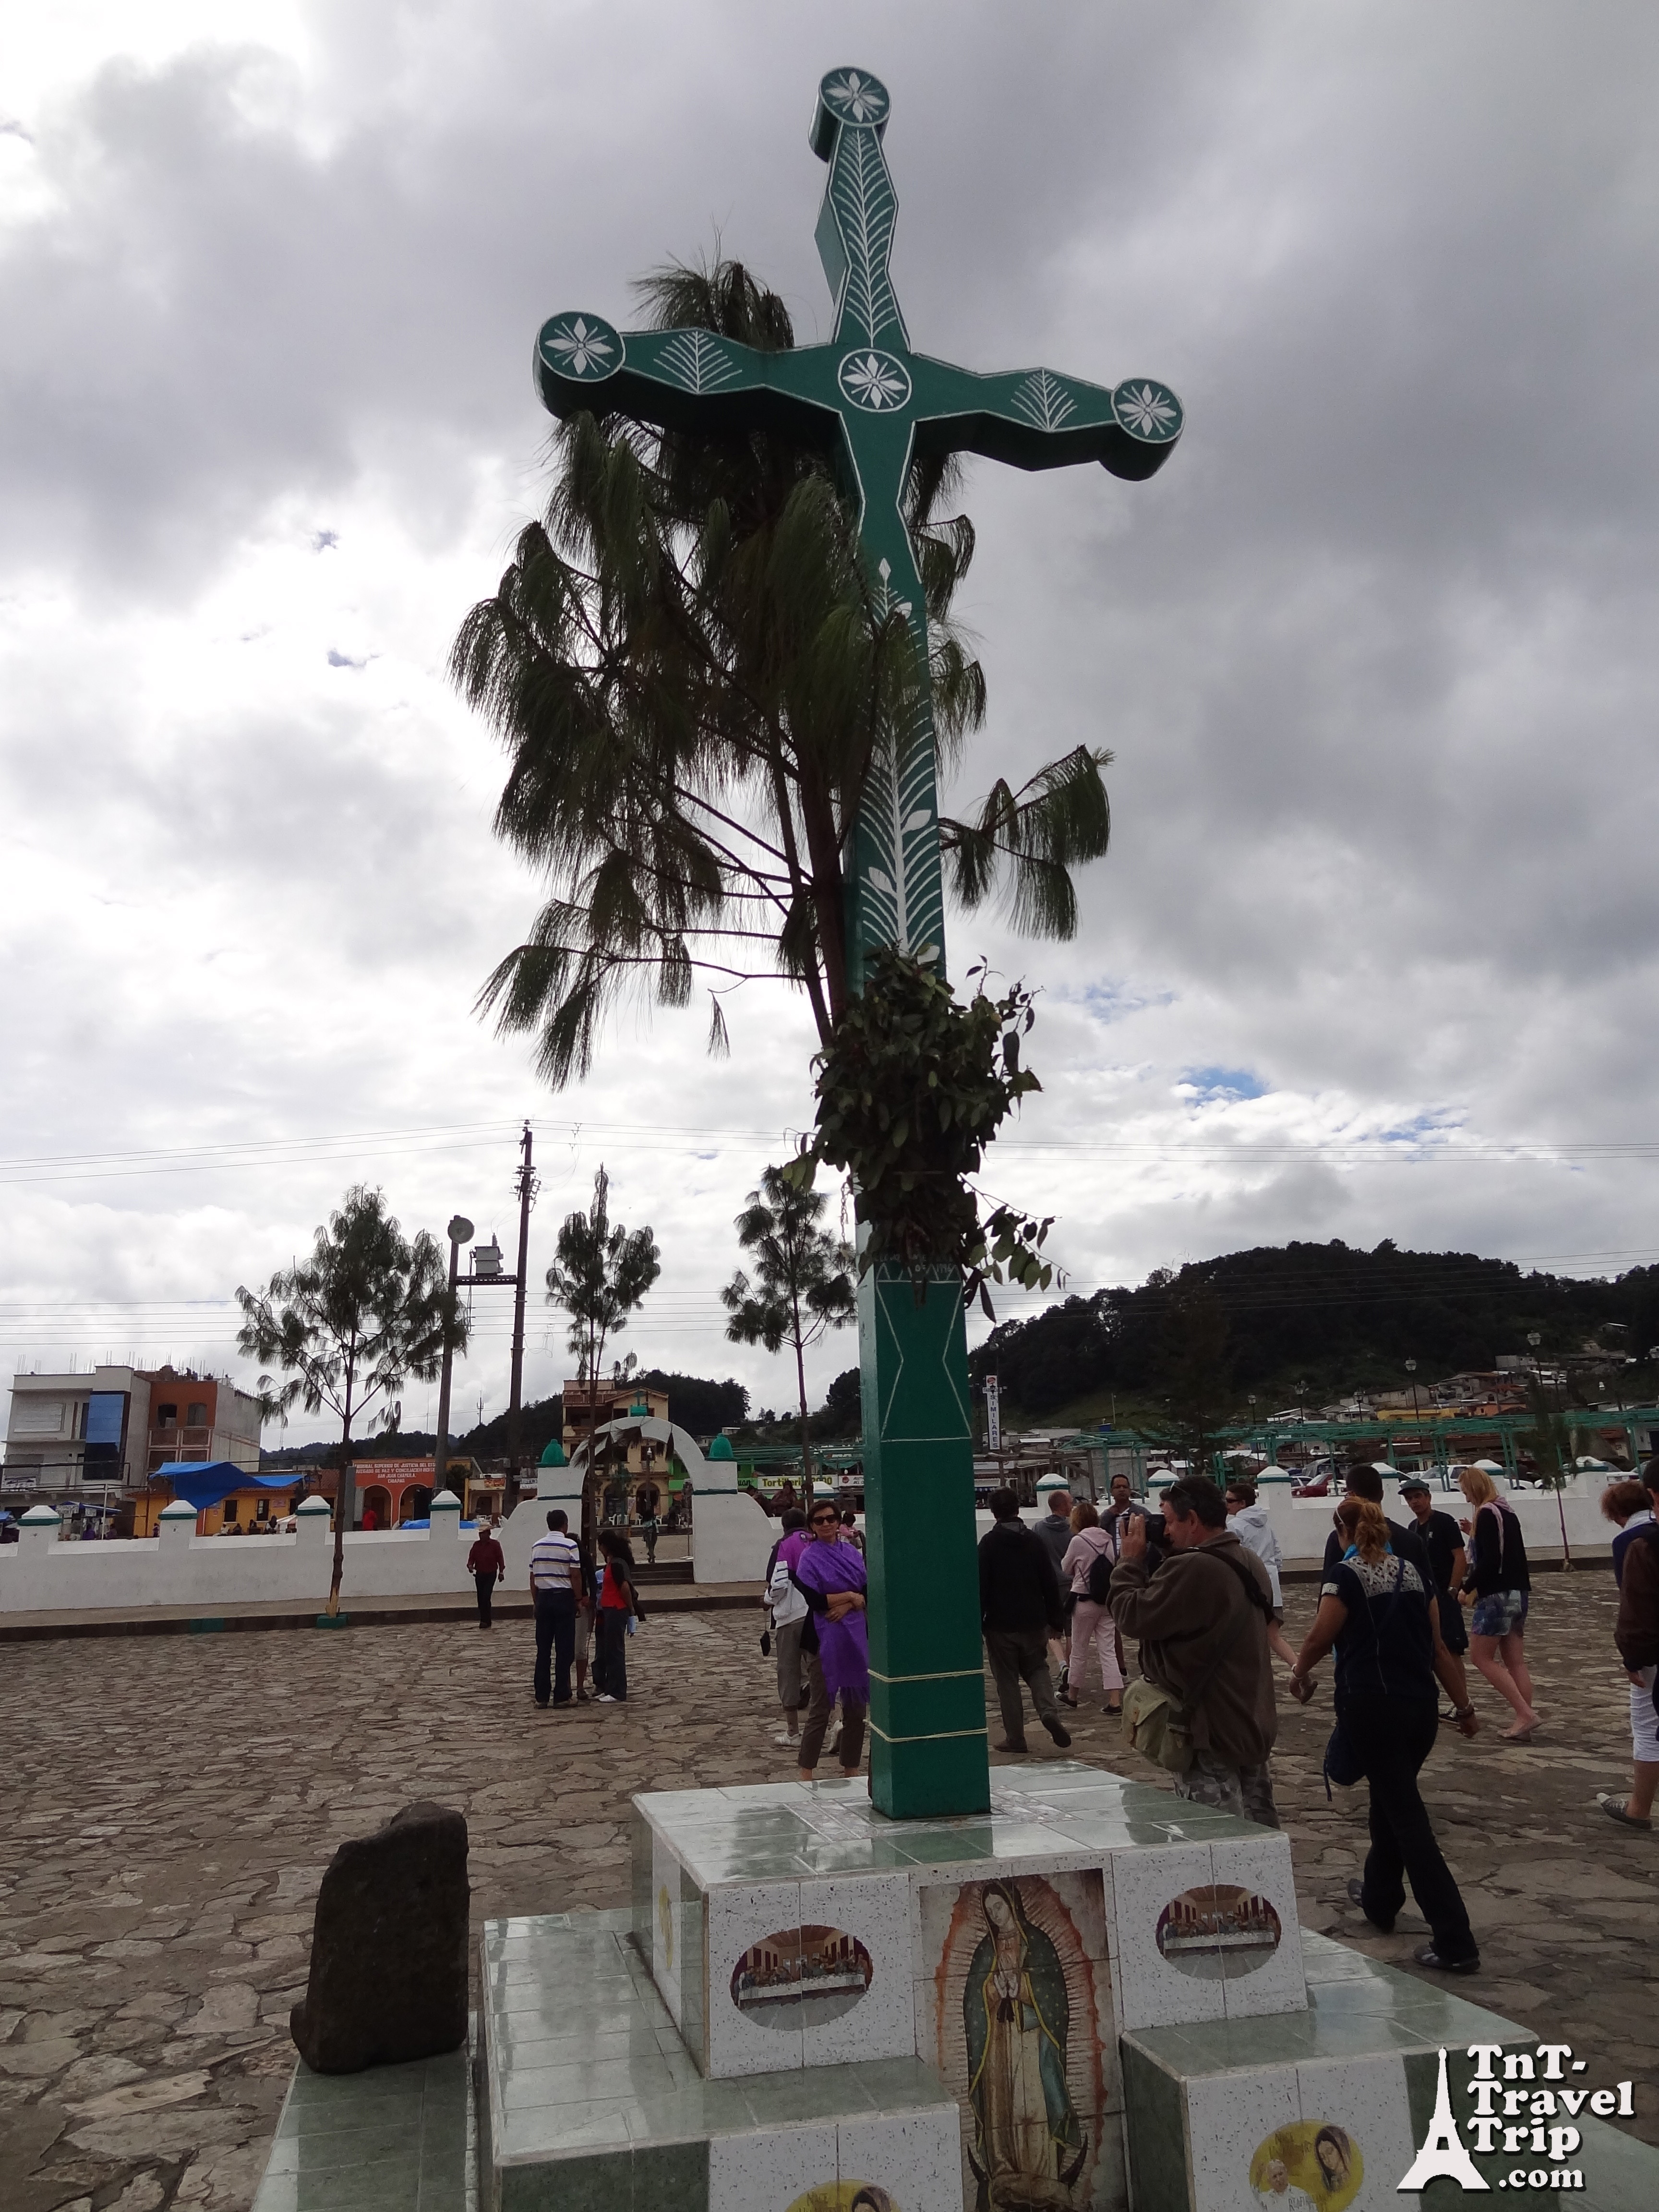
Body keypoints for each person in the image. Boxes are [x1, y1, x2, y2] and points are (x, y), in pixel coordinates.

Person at [1288, 1496, 1480, 1973]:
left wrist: (1299, 1672)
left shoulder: (1345, 1577)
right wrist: (1464, 1707)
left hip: (1373, 1707)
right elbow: (1438, 1649)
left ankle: (1455, 1939)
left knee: (1409, 1821)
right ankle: (1380, 1898)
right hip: (1420, 1710)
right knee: (1390, 1803)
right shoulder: (1413, 1575)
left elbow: (1319, 1637)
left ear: (1343, 1533)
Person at [1108, 1475, 1279, 1825]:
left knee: (1215, 1838)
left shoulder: (1194, 1568)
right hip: (1248, 1721)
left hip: (1208, 1730)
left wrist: (1128, 1563)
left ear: (1193, 1520)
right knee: (1257, 1834)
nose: (1166, 1530)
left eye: (1171, 1521)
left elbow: (1131, 1616)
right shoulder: (1248, 1560)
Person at [978, 1489, 1072, 1755]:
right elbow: (1049, 1582)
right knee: (1038, 1669)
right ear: (1018, 1508)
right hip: (1034, 1620)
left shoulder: (988, 1544)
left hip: (1000, 1625)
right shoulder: (1034, 1541)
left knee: (1007, 1681)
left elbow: (981, 1587)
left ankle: (1016, 1738)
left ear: (993, 1512)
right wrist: (1056, 1619)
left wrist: (978, 1623)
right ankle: (1048, 1711)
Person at [1456, 1465, 1537, 1739]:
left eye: (1466, 1491)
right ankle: (1524, 1721)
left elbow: (1491, 1560)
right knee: (1516, 1661)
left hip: (1497, 1596)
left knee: (1481, 1657)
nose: (1466, 1497)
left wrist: (1467, 1587)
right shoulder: (1507, 1512)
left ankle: (1525, 1713)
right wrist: (1474, 1534)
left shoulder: (1487, 1512)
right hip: (1518, 1592)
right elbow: (1505, 1549)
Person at [1596, 1477, 1659, 1827]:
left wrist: (1632, 1656)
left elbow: (1634, 1601)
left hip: (1652, 1647)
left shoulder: (1631, 1542)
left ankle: (1639, 1807)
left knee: (1646, 1723)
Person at [792, 1498, 869, 1782]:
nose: (826, 1524)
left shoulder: (852, 1554)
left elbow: (866, 1590)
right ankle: (807, 1770)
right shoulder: (809, 1558)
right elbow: (815, 1599)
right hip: (822, 1638)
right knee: (821, 1708)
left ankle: (851, 1766)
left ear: (839, 1522)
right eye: (819, 1520)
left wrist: (848, 1605)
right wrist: (849, 1596)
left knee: (856, 1707)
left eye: (831, 1519)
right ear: (811, 1526)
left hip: (855, 1636)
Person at [1397, 1476, 1473, 1714]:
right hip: (1423, 1597)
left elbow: (1460, 1557)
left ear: (1428, 1497)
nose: (1414, 1502)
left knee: (1451, 1648)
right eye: (1410, 1498)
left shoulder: (1444, 1522)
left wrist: (1452, 1589)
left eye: (1418, 1497)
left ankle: (1462, 1703)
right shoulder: (1412, 1528)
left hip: (1444, 1595)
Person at [1224, 1480, 1300, 1673]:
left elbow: (1232, 1556)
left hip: (1250, 1586)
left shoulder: (1235, 1526)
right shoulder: (1266, 1525)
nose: (1226, 1505)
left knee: (1246, 1636)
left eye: (1230, 1501)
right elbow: (1277, 1554)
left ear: (1242, 1503)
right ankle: (1299, 1669)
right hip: (1271, 1582)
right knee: (1273, 1636)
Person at [1059, 1500, 1123, 1713]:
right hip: (1106, 1600)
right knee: (1108, 1651)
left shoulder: (1078, 1541)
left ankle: (1072, 1695)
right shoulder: (1107, 1539)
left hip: (1084, 1600)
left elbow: (1065, 1567)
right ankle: (1115, 1700)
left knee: (1079, 1650)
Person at [528, 1509, 583, 1708]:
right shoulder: (570, 1546)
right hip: (563, 1598)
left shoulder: (537, 1546)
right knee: (564, 1650)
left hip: (544, 1598)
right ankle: (562, 1695)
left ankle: (542, 1696)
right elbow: (575, 1575)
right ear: (565, 1525)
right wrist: (578, 1599)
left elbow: (533, 1578)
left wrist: (537, 1602)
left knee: (543, 1650)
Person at [765, 1507, 810, 1749]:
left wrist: (768, 1599)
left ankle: (793, 1732)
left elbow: (779, 1583)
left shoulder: (783, 1546)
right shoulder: (816, 1542)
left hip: (790, 1617)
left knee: (788, 1671)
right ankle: (837, 1720)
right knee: (821, 1670)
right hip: (816, 1615)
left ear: (784, 1525)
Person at [1032, 1487, 1075, 1691]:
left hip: (1050, 1586)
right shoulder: (1073, 1528)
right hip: (1073, 1584)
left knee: (1052, 1631)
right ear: (1063, 1505)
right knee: (1071, 1631)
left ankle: (1062, 1664)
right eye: (1071, 1502)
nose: (1073, 1505)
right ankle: (1071, 1669)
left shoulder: (1039, 1529)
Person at [593, 1527, 642, 1703]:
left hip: (616, 1609)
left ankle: (617, 1691)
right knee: (610, 1650)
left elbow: (624, 1587)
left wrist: (630, 1608)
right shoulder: (613, 1563)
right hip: (610, 1609)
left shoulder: (617, 1565)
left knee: (615, 1651)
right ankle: (610, 1687)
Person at [467, 1518, 506, 1630]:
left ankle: (485, 1620)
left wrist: (501, 1572)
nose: (481, 1535)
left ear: (489, 1534)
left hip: (491, 1574)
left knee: (486, 1597)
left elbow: (500, 1559)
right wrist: (470, 1566)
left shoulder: (495, 1545)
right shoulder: (476, 1545)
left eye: (483, 1533)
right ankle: (484, 1619)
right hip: (480, 1574)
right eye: (480, 1533)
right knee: (480, 1598)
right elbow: (471, 1558)